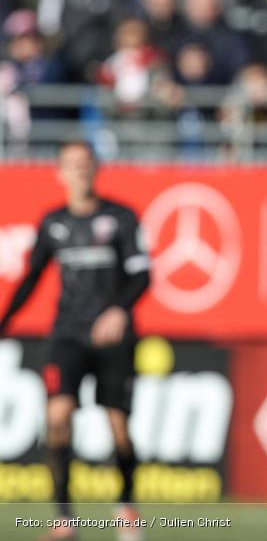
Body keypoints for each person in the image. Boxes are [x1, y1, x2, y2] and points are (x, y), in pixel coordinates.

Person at [0, 140, 151, 541]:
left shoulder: (121, 218)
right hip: (67, 335)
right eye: (72, 165)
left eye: (86, 164)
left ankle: (126, 507)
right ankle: (64, 519)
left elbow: (142, 275)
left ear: (96, 169)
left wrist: (119, 310)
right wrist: (5, 321)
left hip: (113, 338)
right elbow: (31, 277)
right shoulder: (52, 223)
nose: (80, 171)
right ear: (60, 172)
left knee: (118, 425)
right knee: (57, 417)